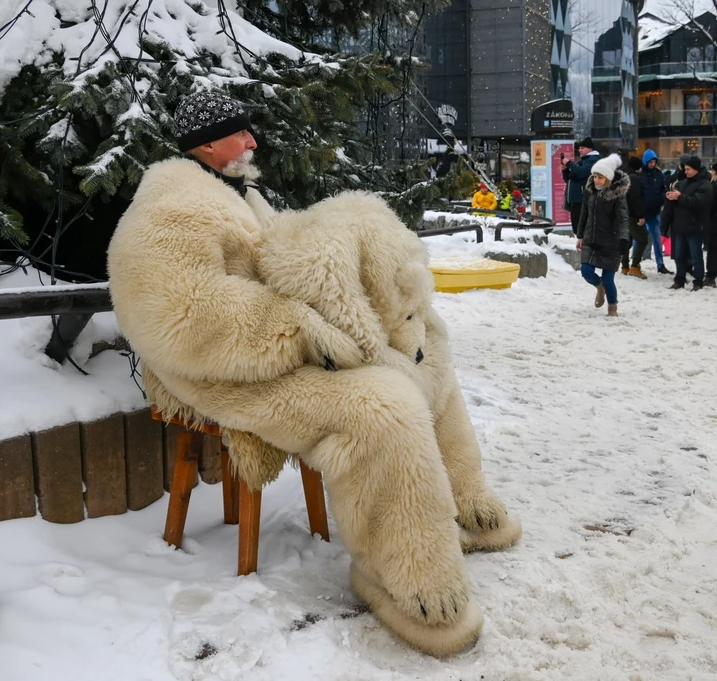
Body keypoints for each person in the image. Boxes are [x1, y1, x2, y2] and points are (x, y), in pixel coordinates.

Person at [106, 91, 493, 654]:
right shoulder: (167, 210)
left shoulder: (237, 193)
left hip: (281, 354)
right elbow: (175, 315)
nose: (253, 142)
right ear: (209, 143)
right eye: (242, 133)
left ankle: (466, 506)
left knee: (428, 349)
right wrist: (297, 327)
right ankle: (404, 576)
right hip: (227, 371)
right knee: (382, 406)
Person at [576, 154, 629, 317]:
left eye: (600, 177)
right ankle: (599, 287)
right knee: (586, 270)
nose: (597, 180)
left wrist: (624, 238)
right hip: (591, 238)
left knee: (608, 278)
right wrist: (580, 235)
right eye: (595, 176)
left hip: (611, 241)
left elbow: (623, 217)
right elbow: (584, 213)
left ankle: (612, 307)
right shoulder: (590, 191)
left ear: (608, 178)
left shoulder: (617, 194)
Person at [663, 156, 712, 291]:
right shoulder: (683, 183)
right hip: (680, 226)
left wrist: (680, 197)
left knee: (696, 256)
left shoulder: (705, 185)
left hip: (695, 226)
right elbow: (678, 202)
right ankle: (679, 279)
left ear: (696, 169)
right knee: (679, 256)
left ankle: (698, 281)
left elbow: (698, 203)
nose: (686, 171)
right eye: (685, 169)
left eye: (689, 169)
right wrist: (672, 198)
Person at [640, 149, 673, 274]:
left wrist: (663, 198)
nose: (653, 164)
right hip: (642, 212)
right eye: (650, 162)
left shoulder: (658, 174)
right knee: (639, 238)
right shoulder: (640, 174)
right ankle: (635, 262)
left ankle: (660, 264)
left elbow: (661, 189)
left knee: (657, 239)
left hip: (655, 211)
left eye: (654, 162)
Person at [562, 137, 601, 231]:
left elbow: (582, 172)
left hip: (584, 200)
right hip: (576, 201)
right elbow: (570, 178)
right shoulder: (582, 161)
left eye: (582, 148)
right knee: (577, 229)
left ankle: (586, 245)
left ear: (590, 149)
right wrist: (565, 170)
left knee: (582, 229)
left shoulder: (593, 160)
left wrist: (569, 164)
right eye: (579, 148)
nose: (580, 150)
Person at [620, 155, 650, 278]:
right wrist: (641, 216)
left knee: (627, 240)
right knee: (643, 239)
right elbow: (636, 199)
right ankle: (634, 266)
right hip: (632, 214)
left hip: (622, 214)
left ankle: (625, 267)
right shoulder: (635, 179)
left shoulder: (622, 177)